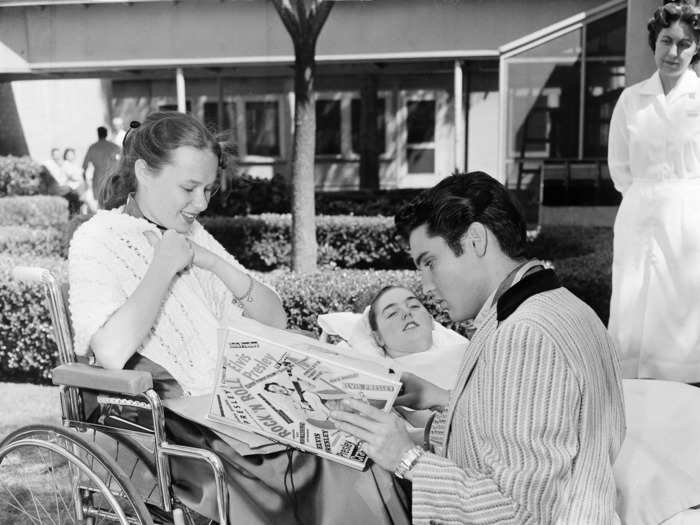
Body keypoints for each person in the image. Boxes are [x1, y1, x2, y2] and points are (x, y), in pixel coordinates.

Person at [68, 111, 409, 524]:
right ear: (143, 172)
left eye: (209, 189)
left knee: (360, 444)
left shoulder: (192, 232)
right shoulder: (98, 238)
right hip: (176, 419)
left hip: (245, 402)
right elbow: (108, 351)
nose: (202, 203)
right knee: (339, 466)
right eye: (189, 188)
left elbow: (275, 319)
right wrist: (162, 268)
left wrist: (214, 263)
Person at [330, 171, 625, 524]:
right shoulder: (565, 308)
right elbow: (511, 441)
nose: (424, 285)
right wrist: (443, 400)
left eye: (429, 262)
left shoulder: (524, 334)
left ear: (475, 240)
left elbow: (521, 513)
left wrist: (406, 458)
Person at [608, 0, 700, 383]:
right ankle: (632, 389)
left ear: (697, 48)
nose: (673, 52)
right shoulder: (632, 99)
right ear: (655, 43)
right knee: (634, 302)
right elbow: (620, 166)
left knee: (681, 310)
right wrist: (647, 198)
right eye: (666, 41)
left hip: (689, 217)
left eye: (684, 43)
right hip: (638, 214)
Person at [82, 125, 120, 203]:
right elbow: (123, 160)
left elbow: (84, 166)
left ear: (98, 134)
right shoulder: (114, 147)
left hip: (98, 178)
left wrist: (85, 180)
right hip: (112, 177)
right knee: (113, 203)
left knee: (100, 203)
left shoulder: (93, 147)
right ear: (106, 134)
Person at [61, 148, 94, 213]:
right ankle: (88, 210)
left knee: (88, 190)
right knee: (85, 197)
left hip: (79, 185)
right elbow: (72, 177)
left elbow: (82, 174)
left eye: (71, 154)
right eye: (68, 154)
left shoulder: (75, 164)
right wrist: (80, 179)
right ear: (65, 156)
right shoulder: (65, 164)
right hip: (72, 186)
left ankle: (85, 212)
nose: (70, 156)